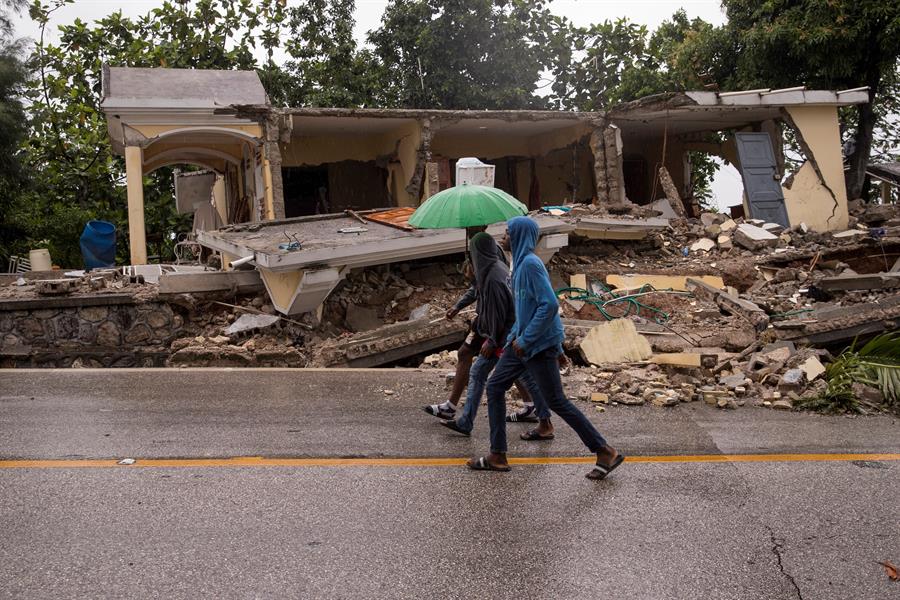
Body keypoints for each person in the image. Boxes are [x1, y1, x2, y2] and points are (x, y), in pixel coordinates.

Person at [468, 216, 624, 480]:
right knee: (495, 387)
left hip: (535, 347)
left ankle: (604, 450)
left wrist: (532, 341)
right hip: (522, 346)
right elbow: (525, 312)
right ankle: (497, 454)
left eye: (507, 233)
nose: (503, 238)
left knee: (556, 401)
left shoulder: (530, 265)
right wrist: (513, 341)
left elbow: (549, 306)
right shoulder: (518, 267)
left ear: (518, 236)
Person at [423, 231, 551, 434]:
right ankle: (469, 421)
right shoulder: (492, 268)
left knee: (509, 378)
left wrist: (491, 340)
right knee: (494, 372)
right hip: (499, 331)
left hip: (502, 335)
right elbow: (479, 292)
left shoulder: (495, 275)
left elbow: (499, 312)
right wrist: (463, 298)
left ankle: (528, 427)